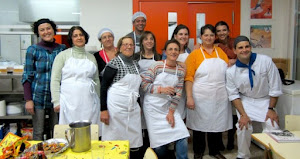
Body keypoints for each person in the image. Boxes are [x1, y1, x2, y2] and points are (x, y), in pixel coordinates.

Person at [226, 36, 282, 159]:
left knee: (273, 126)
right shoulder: (231, 72)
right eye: (240, 48)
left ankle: (272, 155)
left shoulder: (265, 61)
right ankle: (243, 155)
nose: (244, 50)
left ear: (251, 47)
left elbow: (275, 87)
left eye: (247, 46)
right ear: (235, 51)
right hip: (246, 100)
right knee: (243, 126)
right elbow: (234, 95)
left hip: (265, 100)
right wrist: (243, 114)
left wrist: (271, 109)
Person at [185, 24, 232, 159]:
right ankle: (198, 152)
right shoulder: (194, 55)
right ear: (201, 37)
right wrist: (189, 97)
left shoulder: (221, 53)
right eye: (206, 35)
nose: (209, 37)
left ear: (214, 37)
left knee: (217, 123)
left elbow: (227, 72)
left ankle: (214, 151)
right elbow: (189, 77)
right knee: (199, 125)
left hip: (219, 95)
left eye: (211, 35)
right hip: (200, 95)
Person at [141, 39, 190, 159]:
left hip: (168, 107)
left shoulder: (181, 70)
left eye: (176, 49)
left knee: (182, 135)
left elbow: (178, 93)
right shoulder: (157, 65)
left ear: (179, 52)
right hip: (152, 107)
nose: (173, 52)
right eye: (170, 49)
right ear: (165, 52)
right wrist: (161, 90)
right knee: (159, 145)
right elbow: (144, 85)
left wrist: (171, 112)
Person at [50, 26, 101, 134]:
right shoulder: (63, 56)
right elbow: (55, 79)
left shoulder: (91, 57)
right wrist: (56, 101)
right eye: (75, 36)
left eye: (81, 35)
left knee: (89, 131)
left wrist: (99, 99)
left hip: (89, 101)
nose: (79, 38)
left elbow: (96, 79)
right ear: (71, 39)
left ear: (85, 37)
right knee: (70, 132)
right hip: (69, 101)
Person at [22, 18, 66, 140]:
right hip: (38, 97)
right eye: (42, 30)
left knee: (58, 130)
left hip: (57, 96)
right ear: (38, 33)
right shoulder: (33, 50)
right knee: (38, 132)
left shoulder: (62, 49)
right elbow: (27, 75)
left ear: (53, 30)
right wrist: (28, 100)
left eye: (48, 28)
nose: (46, 32)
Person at [100, 36, 143, 159]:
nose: (128, 47)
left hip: (132, 109)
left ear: (134, 47)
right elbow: (103, 87)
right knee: (114, 141)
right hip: (115, 110)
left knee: (133, 142)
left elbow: (136, 88)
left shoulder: (136, 65)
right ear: (119, 47)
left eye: (131, 44)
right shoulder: (114, 63)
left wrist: (138, 104)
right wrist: (103, 110)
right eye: (125, 44)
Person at [133, 31, 161, 155]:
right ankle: (142, 150)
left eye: (151, 39)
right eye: (146, 39)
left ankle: (153, 150)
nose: (149, 41)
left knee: (153, 122)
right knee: (140, 121)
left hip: (154, 94)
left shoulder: (159, 57)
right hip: (138, 93)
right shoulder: (135, 57)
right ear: (142, 42)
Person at [215, 20, 237, 151]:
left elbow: (239, 56)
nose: (221, 33)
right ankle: (218, 142)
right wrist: (231, 60)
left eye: (224, 30)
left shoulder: (235, 41)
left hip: (234, 79)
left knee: (234, 111)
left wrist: (230, 60)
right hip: (220, 79)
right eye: (218, 31)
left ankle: (231, 138)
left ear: (228, 31)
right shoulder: (214, 44)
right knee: (220, 111)